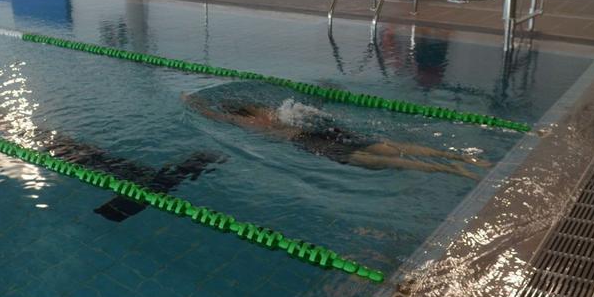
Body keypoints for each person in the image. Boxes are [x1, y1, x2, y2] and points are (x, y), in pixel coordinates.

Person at [183, 93, 489, 180]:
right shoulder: (271, 109)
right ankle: (460, 157)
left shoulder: (252, 124)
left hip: (307, 141)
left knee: (377, 159)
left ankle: (451, 170)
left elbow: (216, 117)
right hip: (323, 129)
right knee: (388, 145)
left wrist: (192, 103)